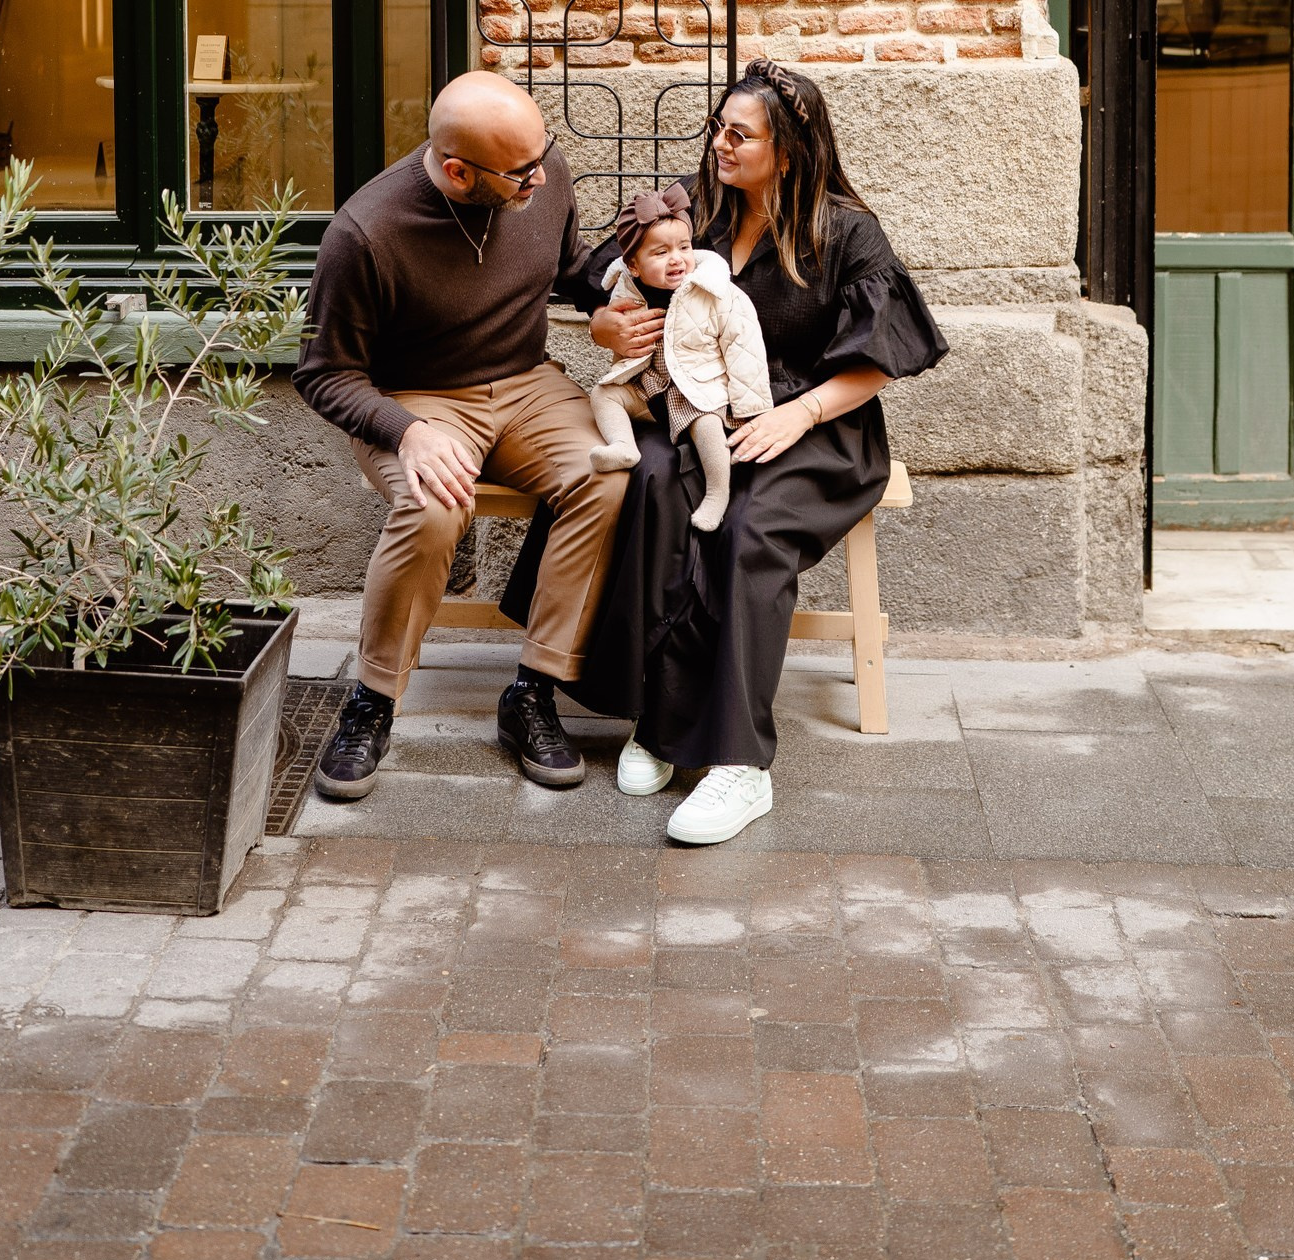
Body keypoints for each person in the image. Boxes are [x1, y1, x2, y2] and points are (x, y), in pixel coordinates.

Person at [567, 56, 947, 846]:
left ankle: (740, 764)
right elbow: (594, 271)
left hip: (819, 427)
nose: (718, 145)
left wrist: (798, 415)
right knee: (658, 492)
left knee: (747, 533)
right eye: (717, 128)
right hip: (705, 412)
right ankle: (661, 720)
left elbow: (884, 354)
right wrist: (606, 321)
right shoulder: (697, 207)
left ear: (788, 150)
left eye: (738, 135)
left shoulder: (845, 231)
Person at [294, 71, 650, 800]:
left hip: (525, 381)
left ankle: (533, 692)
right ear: (458, 171)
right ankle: (371, 702)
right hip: (414, 397)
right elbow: (324, 374)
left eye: (542, 155)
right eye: (520, 172)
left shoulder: (540, 173)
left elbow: (568, 269)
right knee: (431, 507)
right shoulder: (365, 233)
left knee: (607, 473)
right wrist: (408, 430)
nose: (540, 177)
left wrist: (603, 310)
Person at [585, 179, 773, 533]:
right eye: (660, 253)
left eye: (684, 247)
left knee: (708, 426)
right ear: (634, 266)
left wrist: (750, 411)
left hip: (696, 390)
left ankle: (718, 492)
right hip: (647, 388)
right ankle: (623, 445)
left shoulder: (715, 291)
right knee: (603, 394)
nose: (677, 259)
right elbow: (620, 341)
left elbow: (744, 349)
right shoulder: (626, 289)